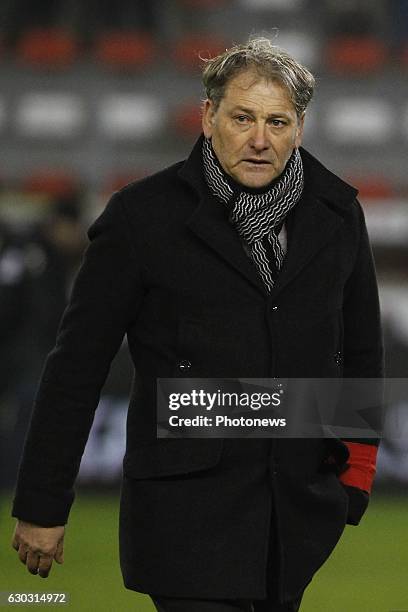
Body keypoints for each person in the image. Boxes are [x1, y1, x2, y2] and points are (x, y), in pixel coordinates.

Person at [11, 37, 383, 611]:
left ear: (300, 129)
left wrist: (354, 476)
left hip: (295, 517)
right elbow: (76, 367)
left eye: (278, 122)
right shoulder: (140, 217)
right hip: (184, 518)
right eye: (243, 118)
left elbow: (361, 348)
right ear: (209, 117)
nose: (261, 140)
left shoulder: (337, 213)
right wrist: (41, 503)